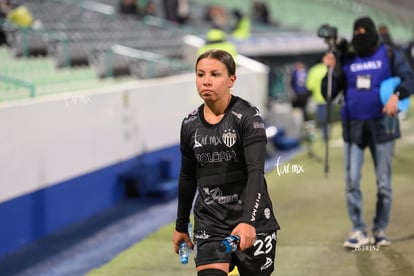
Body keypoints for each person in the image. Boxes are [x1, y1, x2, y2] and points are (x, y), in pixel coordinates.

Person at [173, 49, 280, 276]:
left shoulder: (249, 117)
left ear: (231, 80)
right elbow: (187, 177)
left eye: (215, 74)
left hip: (252, 219)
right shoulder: (189, 124)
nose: (206, 81)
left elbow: (255, 173)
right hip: (209, 222)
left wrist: (248, 221)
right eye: (200, 74)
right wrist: (181, 225)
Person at [321, 16, 414, 249]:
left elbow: (410, 78)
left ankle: (380, 228)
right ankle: (358, 229)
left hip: (382, 125)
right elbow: (328, 93)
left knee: (384, 183)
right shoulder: (346, 58)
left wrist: (398, 95)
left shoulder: (389, 53)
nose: (360, 34)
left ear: (373, 33)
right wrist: (330, 70)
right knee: (351, 181)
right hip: (353, 126)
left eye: (364, 30)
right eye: (356, 31)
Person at [306, 60, 329, 141]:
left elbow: (309, 86)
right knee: (328, 118)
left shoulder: (314, 70)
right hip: (329, 97)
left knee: (322, 119)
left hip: (319, 98)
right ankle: (327, 135)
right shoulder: (328, 68)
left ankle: (325, 136)